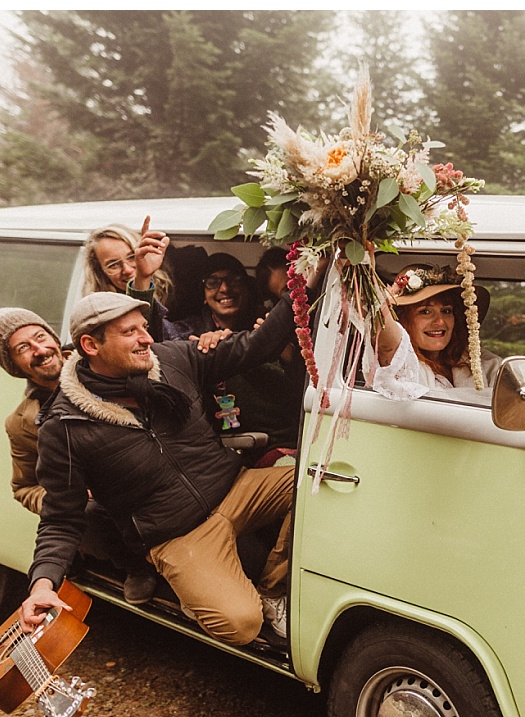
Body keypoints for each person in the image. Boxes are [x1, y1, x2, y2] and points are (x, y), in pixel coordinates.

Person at [21, 284, 312, 647]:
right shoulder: (64, 426)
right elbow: (61, 518)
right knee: (242, 625)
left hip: (235, 488)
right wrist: (42, 585)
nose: (146, 339)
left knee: (315, 485)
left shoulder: (173, 358)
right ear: (91, 346)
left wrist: (303, 283)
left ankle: (270, 590)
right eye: (130, 332)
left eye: (144, 326)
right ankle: (199, 588)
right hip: (176, 534)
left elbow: (256, 346)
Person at [0, 307, 159, 604]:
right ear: (13, 365)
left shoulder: (99, 358)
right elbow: (24, 488)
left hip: (149, 474)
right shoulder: (23, 423)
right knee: (89, 509)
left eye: (40, 337)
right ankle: (136, 568)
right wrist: (68, 491)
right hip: (105, 505)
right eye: (23, 348)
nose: (39, 350)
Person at [164, 251, 305, 464]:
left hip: (283, 440)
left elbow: (299, 391)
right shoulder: (188, 333)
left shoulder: (269, 324)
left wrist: (286, 353)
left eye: (233, 280)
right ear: (202, 294)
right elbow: (152, 334)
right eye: (213, 282)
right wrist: (207, 349)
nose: (224, 289)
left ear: (247, 288)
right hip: (224, 451)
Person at [369, 263, 500, 400]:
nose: (440, 321)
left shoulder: (474, 360)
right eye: (425, 312)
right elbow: (387, 339)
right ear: (401, 319)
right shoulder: (403, 362)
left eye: (446, 311)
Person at [81, 217, 171, 341]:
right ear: (100, 273)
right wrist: (142, 280)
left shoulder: (171, 291)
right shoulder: (97, 316)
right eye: (113, 265)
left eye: (132, 257)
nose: (127, 270)